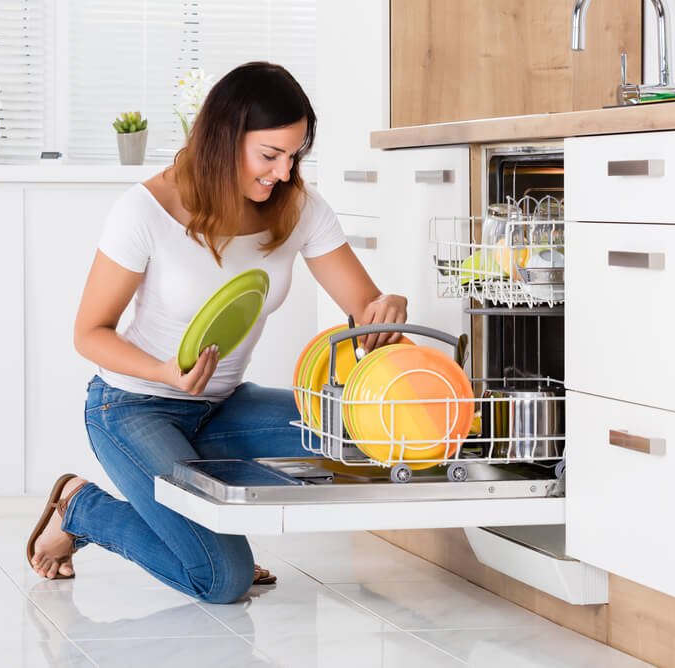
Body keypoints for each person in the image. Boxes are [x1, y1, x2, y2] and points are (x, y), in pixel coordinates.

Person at [24, 62, 408, 603]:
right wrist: (164, 372)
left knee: (366, 429)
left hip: (222, 408)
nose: (282, 172)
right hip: (134, 407)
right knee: (221, 580)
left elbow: (364, 308)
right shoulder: (146, 210)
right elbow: (89, 333)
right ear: (224, 138)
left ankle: (198, 527)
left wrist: (384, 308)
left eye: (294, 156)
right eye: (269, 155)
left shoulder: (299, 208)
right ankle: (82, 508)